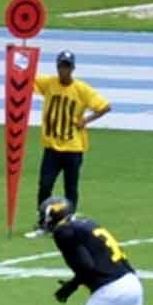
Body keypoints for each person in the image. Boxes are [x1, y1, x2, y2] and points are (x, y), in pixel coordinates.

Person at [35, 53, 107, 216]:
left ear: (72, 68)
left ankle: (69, 218)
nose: (64, 70)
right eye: (61, 66)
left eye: (67, 66)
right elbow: (25, 80)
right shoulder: (49, 83)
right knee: (45, 184)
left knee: (71, 186)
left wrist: (86, 120)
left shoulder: (81, 89)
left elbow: (104, 106)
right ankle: (43, 219)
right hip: (52, 146)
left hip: (73, 146)